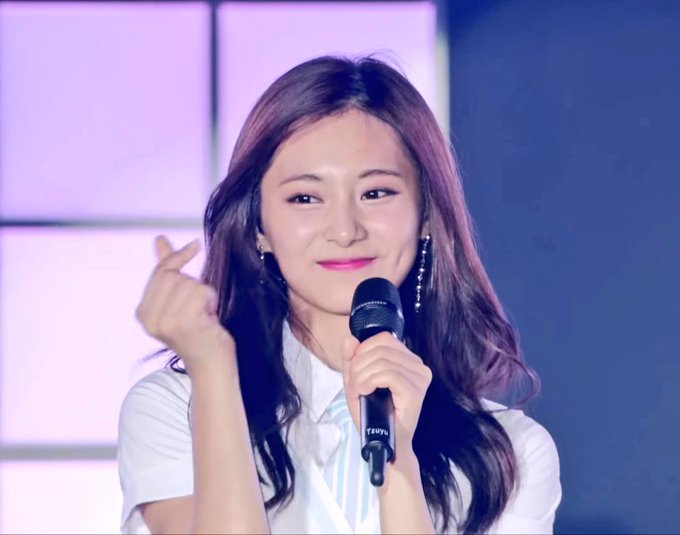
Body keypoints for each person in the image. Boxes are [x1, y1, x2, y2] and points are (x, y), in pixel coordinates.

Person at [117, 55, 561, 534]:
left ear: (426, 215)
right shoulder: (176, 408)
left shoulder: (511, 454)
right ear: (259, 227)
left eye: (376, 193)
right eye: (305, 198)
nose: (345, 230)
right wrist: (213, 368)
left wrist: (398, 464)